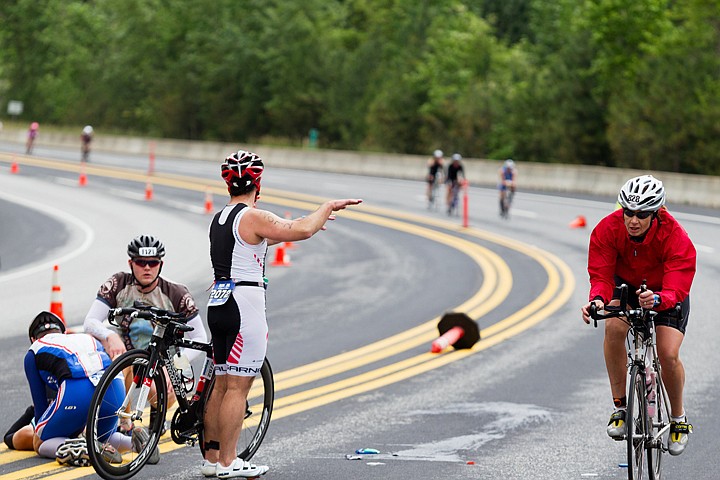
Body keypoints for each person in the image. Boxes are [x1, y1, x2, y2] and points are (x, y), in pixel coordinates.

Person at [202, 150, 362, 478]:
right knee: (238, 387)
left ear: (228, 183)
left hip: (219, 301)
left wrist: (312, 222)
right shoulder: (252, 215)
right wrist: (325, 208)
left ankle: (212, 459)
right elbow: (297, 229)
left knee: (220, 385)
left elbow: (256, 244)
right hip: (244, 302)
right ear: (257, 183)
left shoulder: (220, 218)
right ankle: (229, 462)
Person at [580, 174, 696, 456]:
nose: (633, 220)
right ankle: (620, 407)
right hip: (626, 287)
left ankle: (678, 419)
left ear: (656, 214)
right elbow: (601, 274)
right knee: (613, 330)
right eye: (628, 212)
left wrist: (658, 299)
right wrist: (596, 300)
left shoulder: (674, 234)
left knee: (667, 353)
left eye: (642, 214)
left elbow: (679, 280)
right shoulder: (608, 228)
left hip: (665, 291)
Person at [84, 234, 207, 462]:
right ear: (131, 263)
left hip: (163, 372)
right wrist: (110, 335)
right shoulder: (118, 283)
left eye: (153, 263)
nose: (147, 268)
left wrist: (174, 367)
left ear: (161, 264)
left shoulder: (176, 292)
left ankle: (152, 426)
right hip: (129, 367)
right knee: (123, 359)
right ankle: (124, 426)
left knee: (156, 377)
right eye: (141, 263)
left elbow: (200, 337)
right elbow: (90, 322)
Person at [22, 311, 130, 466]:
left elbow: (40, 407)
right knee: (105, 435)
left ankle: (87, 448)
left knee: (39, 441)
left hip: (78, 388)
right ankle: (134, 443)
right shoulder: (84, 338)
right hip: (114, 385)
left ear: (33, 339)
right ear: (63, 332)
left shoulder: (34, 351)